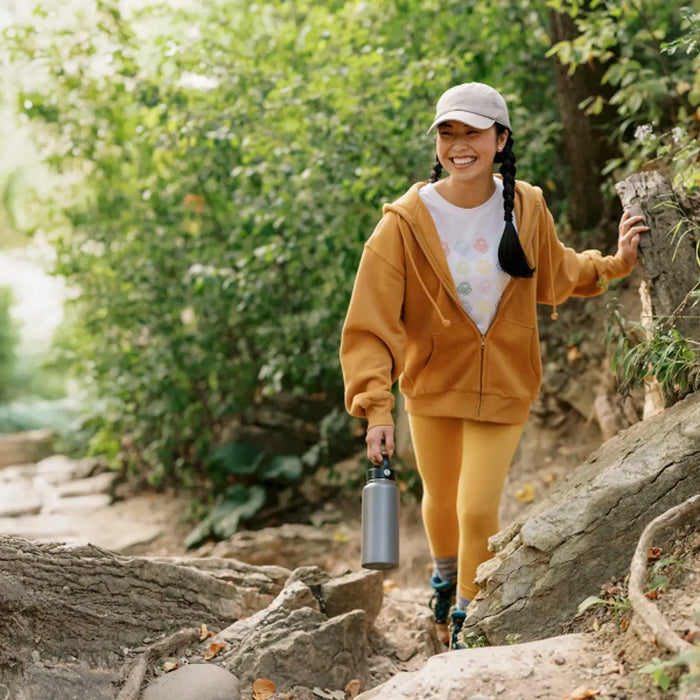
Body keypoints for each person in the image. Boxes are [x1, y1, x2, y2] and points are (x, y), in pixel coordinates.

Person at [339, 82, 648, 650]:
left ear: (500, 139)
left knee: (477, 505)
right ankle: (444, 575)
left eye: (473, 132)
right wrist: (375, 407)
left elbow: (557, 272)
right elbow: (370, 322)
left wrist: (616, 263)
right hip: (432, 384)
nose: (459, 145)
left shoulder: (526, 205)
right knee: (440, 499)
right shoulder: (403, 223)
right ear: (437, 143)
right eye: (447, 133)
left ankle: (466, 618)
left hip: (506, 381)